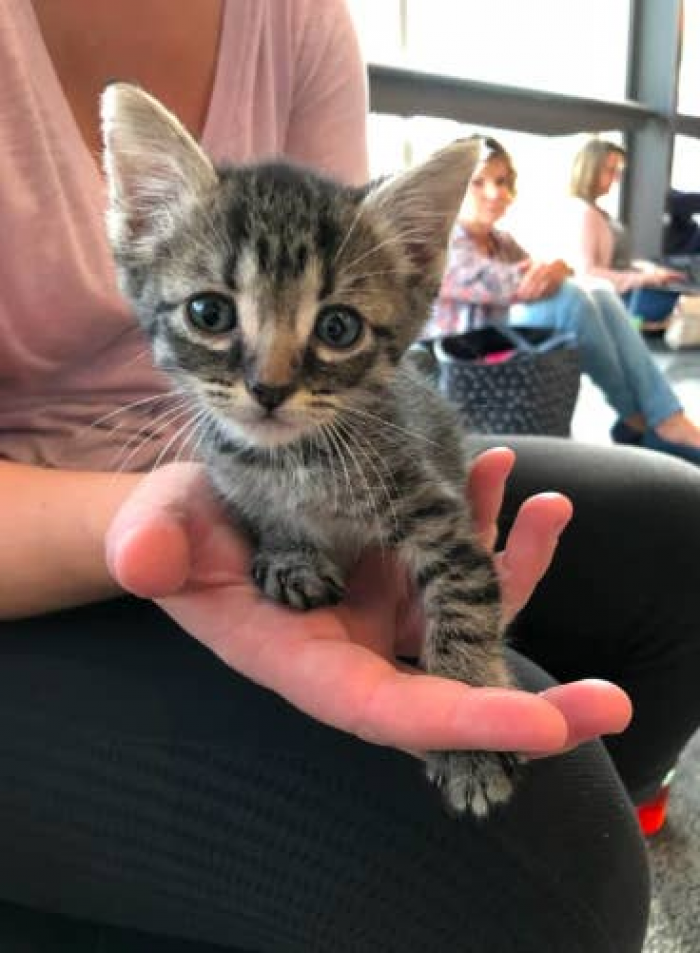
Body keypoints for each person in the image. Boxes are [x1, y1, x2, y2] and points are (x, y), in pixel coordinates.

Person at [3, 2, 700, 950]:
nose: (270, 380)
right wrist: (165, 516)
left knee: (679, 531)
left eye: (330, 330)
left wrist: (458, 646)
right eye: (214, 313)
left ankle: (649, 789)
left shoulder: (294, 18)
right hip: (46, 553)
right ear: (140, 228)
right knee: (554, 867)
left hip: (328, 450)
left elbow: (433, 516)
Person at [426, 135, 700, 465]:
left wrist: (556, 268)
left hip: (500, 343)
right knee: (572, 299)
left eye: (500, 181)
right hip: (459, 358)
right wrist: (552, 272)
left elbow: (549, 273)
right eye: (477, 183)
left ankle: (659, 417)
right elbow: (510, 285)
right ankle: (640, 418)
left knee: (598, 292)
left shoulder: (501, 240)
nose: (493, 193)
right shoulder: (441, 242)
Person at [567, 138, 685, 331]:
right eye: (609, 170)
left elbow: (618, 263)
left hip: (621, 294)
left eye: (617, 171)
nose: (615, 178)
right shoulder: (585, 213)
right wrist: (644, 278)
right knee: (680, 298)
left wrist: (647, 270)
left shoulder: (596, 212)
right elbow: (588, 273)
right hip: (613, 300)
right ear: (590, 169)